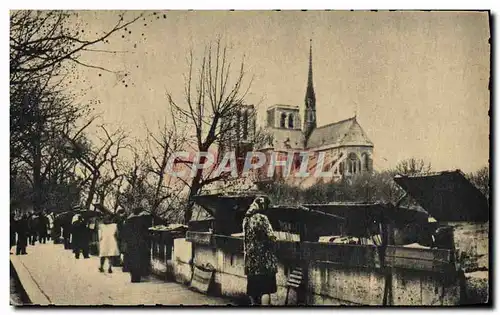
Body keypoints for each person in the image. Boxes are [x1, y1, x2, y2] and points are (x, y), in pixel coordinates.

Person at [243, 196, 278, 306]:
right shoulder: (262, 218)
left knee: (253, 289)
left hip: (251, 260)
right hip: (264, 261)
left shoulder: (246, 219)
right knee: (265, 290)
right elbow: (271, 236)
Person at [123, 203, 152, 283]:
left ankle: (133, 277)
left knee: (132, 260)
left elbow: (124, 233)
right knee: (139, 260)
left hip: (130, 244)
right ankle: (138, 277)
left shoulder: (128, 220)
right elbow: (145, 232)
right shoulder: (142, 220)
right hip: (139, 243)